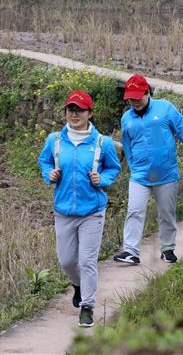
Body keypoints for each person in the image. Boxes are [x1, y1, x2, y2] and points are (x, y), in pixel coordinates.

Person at [38, 89, 121, 328]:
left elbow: (113, 168)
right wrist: (49, 174)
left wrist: (102, 179)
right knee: (66, 261)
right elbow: (44, 161)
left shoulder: (102, 143)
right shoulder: (54, 140)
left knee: (87, 261)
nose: (74, 115)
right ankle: (78, 285)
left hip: (92, 211)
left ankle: (87, 307)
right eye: (71, 110)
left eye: (80, 110)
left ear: (90, 113)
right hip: (63, 211)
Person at [113, 74, 183, 266]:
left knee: (166, 213)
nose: (134, 101)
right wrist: (133, 166)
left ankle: (167, 249)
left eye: (138, 97)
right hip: (140, 175)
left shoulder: (165, 108)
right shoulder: (126, 118)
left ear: (147, 92)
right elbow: (127, 145)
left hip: (166, 173)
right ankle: (130, 251)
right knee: (134, 211)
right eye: (131, 98)